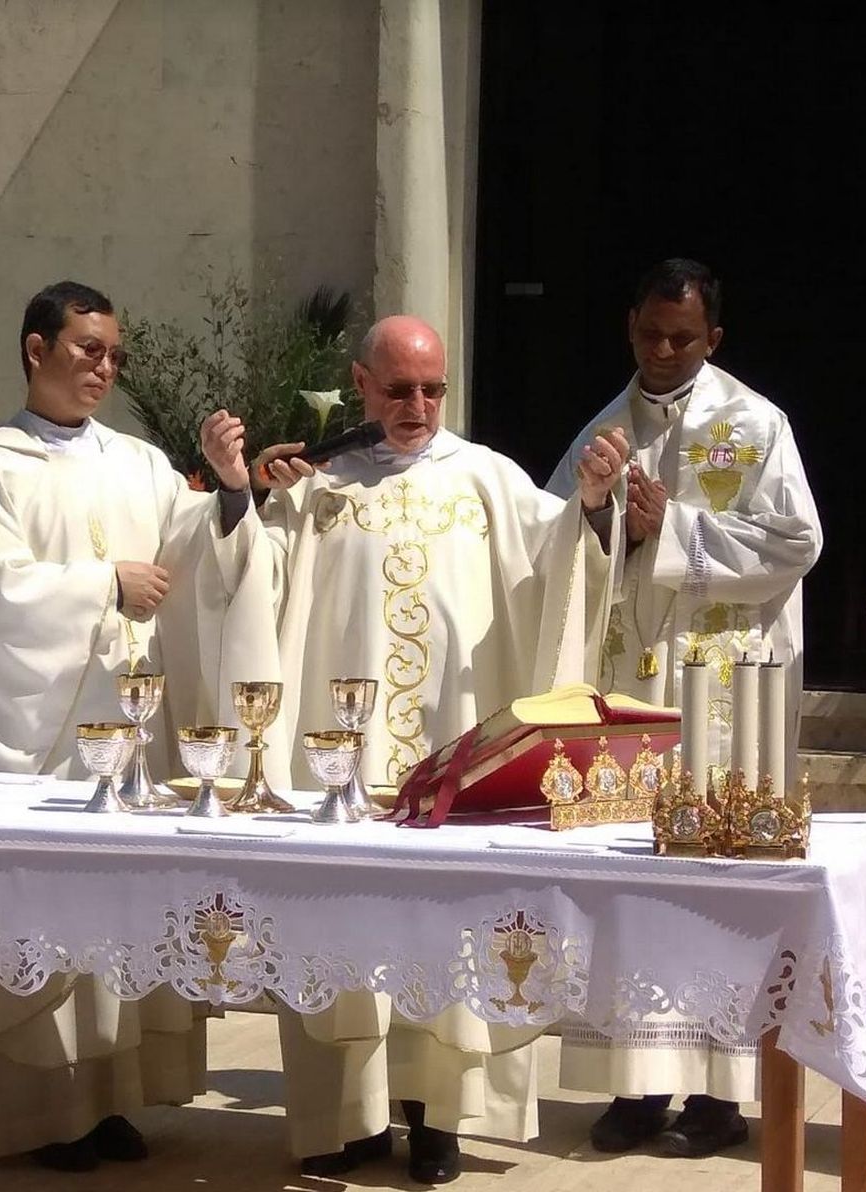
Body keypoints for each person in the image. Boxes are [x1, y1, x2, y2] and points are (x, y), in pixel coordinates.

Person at [249, 314, 628, 1183]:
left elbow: (562, 555)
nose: (415, 406)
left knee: (449, 932)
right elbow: (254, 578)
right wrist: (247, 490)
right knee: (344, 930)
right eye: (396, 389)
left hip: (456, 759)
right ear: (360, 384)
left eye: (431, 389)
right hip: (343, 764)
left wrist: (595, 507)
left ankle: (440, 1122)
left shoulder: (490, 478)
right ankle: (350, 1116)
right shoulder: (324, 487)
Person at [0, 280, 269, 1170]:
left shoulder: (136, 462)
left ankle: (114, 1100)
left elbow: (191, 541)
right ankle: (44, 1114)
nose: (104, 367)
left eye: (115, 353)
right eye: (88, 348)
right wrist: (100, 584)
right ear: (36, 349)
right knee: (41, 919)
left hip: (131, 725)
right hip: (44, 742)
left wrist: (233, 491)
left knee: (119, 918)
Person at [545, 258, 822, 1158]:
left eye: (684, 337)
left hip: (722, 691)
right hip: (630, 689)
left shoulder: (756, 424)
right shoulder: (603, 431)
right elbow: (547, 548)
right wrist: (600, 523)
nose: (664, 351)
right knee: (630, 885)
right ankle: (638, 1086)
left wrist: (675, 529)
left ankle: (720, 1096)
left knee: (718, 881)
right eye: (651, 333)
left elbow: (797, 543)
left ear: (714, 339)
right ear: (630, 326)